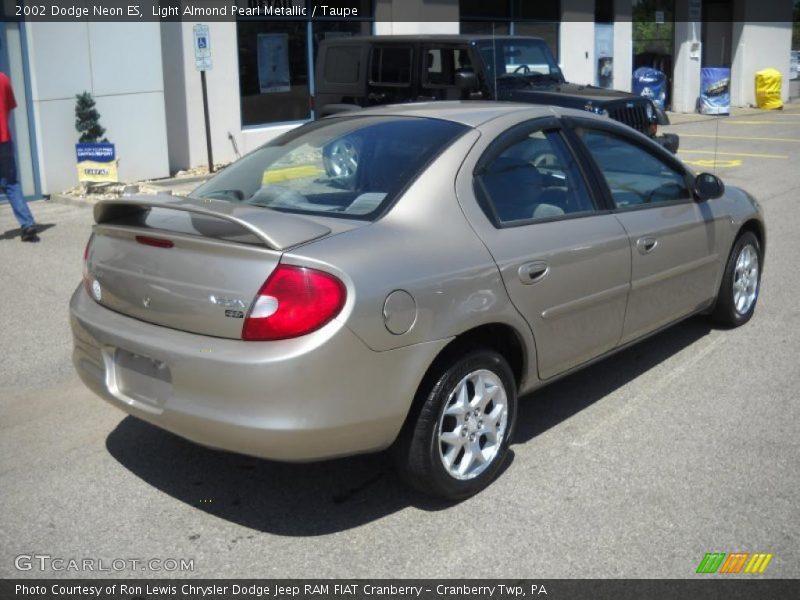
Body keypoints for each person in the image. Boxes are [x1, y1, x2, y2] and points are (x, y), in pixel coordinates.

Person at [0, 71, 38, 242]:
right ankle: (27, 223)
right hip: (4, 140)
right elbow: (9, 106)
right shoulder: (4, 79)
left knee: (10, 183)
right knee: (11, 184)